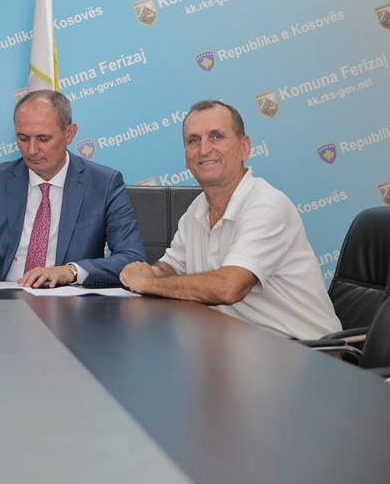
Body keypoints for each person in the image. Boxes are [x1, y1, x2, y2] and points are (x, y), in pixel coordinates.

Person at [119, 100, 341, 339]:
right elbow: (171, 267)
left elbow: (228, 288)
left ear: (244, 147)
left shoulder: (267, 204)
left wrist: (148, 284)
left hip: (308, 351)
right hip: (240, 348)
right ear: (186, 157)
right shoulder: (196, 209)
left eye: (216, 137)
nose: (204, 149)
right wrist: (148, 271)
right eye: (193, 141)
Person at [0, 90, 144, 287]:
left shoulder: (104, 183)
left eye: (43, 139)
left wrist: (71, 271)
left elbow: (132, 258)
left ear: (69, 133)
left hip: (70, 302)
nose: (31, 150)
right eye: (23, 138)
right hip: (2, 300)